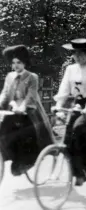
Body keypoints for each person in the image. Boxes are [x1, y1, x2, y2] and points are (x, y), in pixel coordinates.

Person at [53, 38, 86, 186]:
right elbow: (63, 90)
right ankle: (79, 174)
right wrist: (58, 106)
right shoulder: (70, 69)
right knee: (68, 139)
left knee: (79, 128)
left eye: (82, 53)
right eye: (76, 53)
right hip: (77, 105)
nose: (79, 56)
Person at [0, 45, 54, 176]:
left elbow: (31, 96)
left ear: (24, 62)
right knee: (3, 131)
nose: (16, 65)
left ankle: (28, 161)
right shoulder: (10, 77)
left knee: (26, 134)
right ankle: (12, 157)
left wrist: (22, 107)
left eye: (19, 62)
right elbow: (5, 94)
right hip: (13, 111)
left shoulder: (32, 77)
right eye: (13, 63)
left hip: (30, 111)